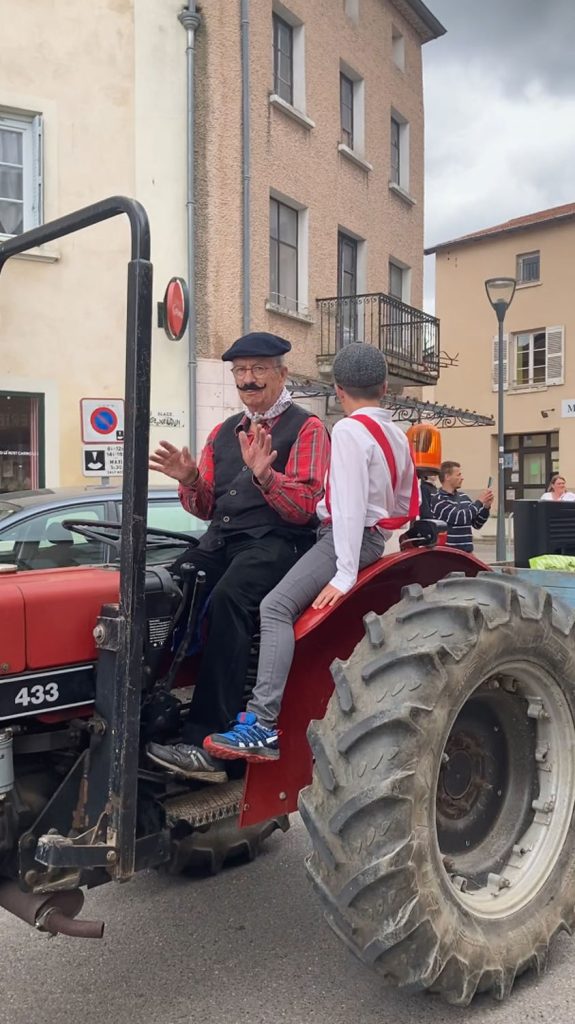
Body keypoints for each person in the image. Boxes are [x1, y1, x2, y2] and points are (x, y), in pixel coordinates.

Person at [202, 343, 419, 763]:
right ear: (385, 387)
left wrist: (344, 573)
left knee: (274, 608)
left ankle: (263, 724)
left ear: (338, 389)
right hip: (371, 536)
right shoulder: (396, 434)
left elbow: (349, 506)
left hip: (344, 538)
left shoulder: (349, 431)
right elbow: (407, 500)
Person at [146, 331, 330, 782]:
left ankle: (208, 744)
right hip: (221, 540)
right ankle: (151, 710)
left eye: (259, 369)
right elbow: (206, 506)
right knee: (165, 587)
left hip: (279, 541)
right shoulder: (222, 432)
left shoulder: (307, 428)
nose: (248, 379)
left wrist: (266, 478)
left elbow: (304, 507)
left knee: (231, 598)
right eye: (241, 371)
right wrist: (190, 479)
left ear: (282, 374)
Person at [430, 461, 493, 552]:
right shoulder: (438, 500)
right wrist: (479, 501)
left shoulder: (464, 497)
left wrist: (486, 507)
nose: (462, 478)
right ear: (447, 477)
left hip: (466, 553)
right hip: (448, 554)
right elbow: (459, 517)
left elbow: (477, 524)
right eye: (458, 475)